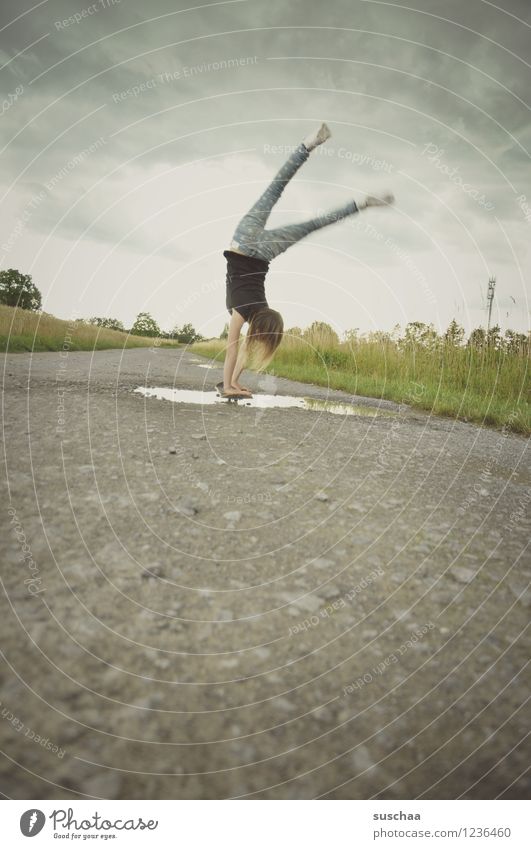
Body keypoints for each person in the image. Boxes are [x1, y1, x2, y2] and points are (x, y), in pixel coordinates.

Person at [221, 123, 394, 398]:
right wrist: (230, 386)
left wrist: (231, 385)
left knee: (278, 192)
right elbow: (236, 349)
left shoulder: (260, 307)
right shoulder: (242, 310)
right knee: (309, 222)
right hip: (244, 243)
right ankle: (359, 204)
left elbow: (239, 350)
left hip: (258, 249)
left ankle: (309, 145)